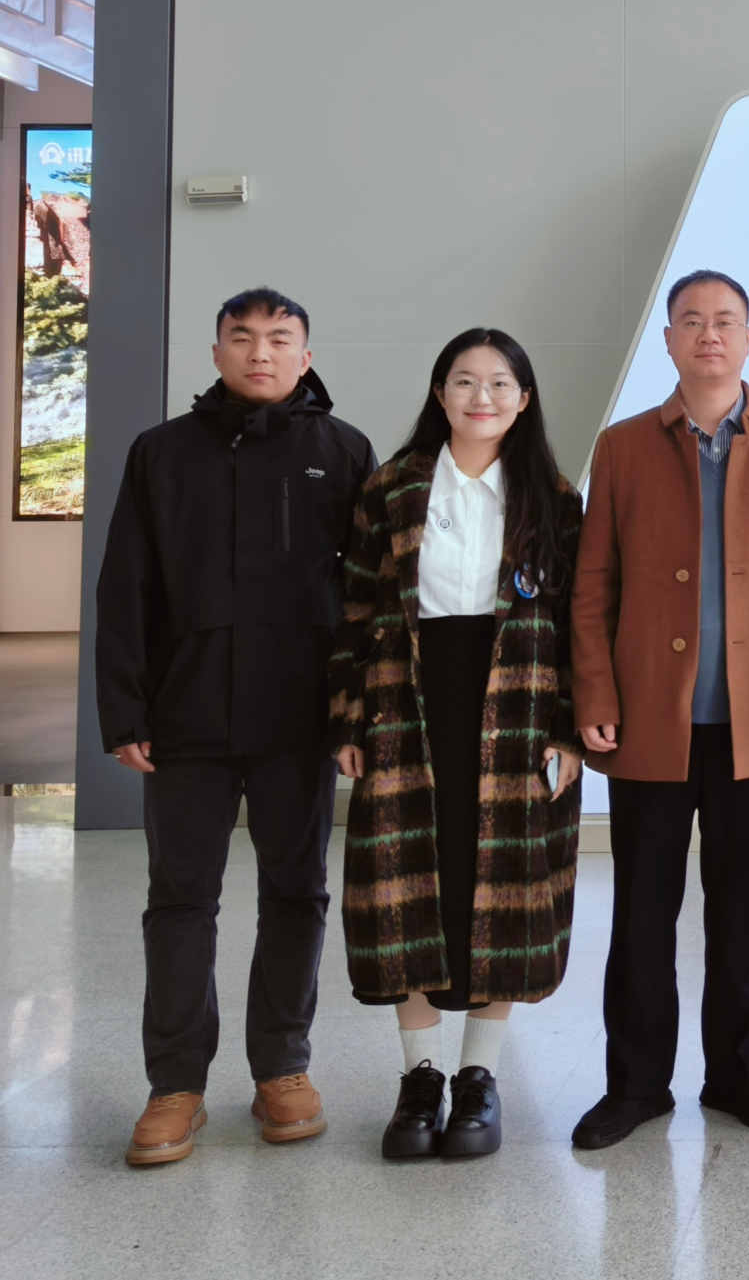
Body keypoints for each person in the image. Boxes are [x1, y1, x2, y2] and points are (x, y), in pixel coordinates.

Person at [97, 288, 376, 1167]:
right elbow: (125, 585)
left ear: (305, 354)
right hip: (186, 713)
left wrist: (357, 711)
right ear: (216, 350)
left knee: (297, 892)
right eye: (243, 337)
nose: (261, 352)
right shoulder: (161, 452)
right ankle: (175, 1085)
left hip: (302, 716)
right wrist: (125, 708)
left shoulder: (344, 451)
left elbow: (370, 599)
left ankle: (282, 1067)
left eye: (279, 338)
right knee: (181, 899)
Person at [569, 270, 749, 1149]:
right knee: (642, 908)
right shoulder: (622, 447)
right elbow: (592, 584)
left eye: (725, 321)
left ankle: (737, 1075)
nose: (708, 334)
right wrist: (596, 693)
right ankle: (636, 1083)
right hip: (650, 719)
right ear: (669, 340)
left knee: (739, 909)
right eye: (691, 321)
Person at [329, 329, 585, 1159]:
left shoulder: (553, 498)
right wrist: (347, 718)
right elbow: (354, 609)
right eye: (465, 381)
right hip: (407, 703)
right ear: (440, 393)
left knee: (502, 887)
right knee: (406, 889)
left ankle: (479, 1077)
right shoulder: (392, 488)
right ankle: (420, 1077)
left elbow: (579, 627)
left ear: (525, 398)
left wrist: (569, 731)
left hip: (518, 708)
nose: (482, 397)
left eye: (500, 382)